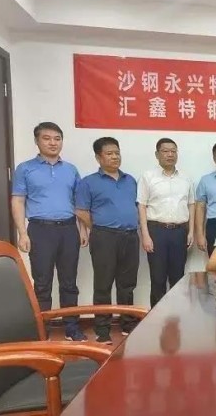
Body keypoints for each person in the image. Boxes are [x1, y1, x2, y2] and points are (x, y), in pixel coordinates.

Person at [11, 122, 87, 341]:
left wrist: (82, 229)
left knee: (69, 282)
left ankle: (72, 328)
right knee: (42, 283)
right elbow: (18, 200)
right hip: (40, 230)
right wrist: (22, 233)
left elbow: (79, 203)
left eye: (57, 138)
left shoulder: (71, 169)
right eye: (47, 138)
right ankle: (42, 330)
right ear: (37, 141)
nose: (53, 143)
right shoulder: (26, 169)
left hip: (68, 229)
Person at [76, 137, 139, 344]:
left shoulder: (130, 180)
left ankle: (127, 324)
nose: (115, 157)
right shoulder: (89, 182)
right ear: (98, 157)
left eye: (117, 153)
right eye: (109, 153)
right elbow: (81, 211)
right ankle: (102, 330)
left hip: (130, 236)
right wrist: (98, 228)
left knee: (127, 284)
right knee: (103, 284)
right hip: (104, 237)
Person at [138, 138, 195, 307]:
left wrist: (191, 231)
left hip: (179, 232)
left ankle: (177, 314)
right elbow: (142, 206)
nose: (170, 154)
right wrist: (145, 235)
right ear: (157, 154)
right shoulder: (148, 177)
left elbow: (191, 204)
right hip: (156, 231)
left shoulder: (186, 178)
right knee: (158, 278)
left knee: (178, 277)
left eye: (173, 151)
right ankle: (157, 317)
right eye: (165, 151)